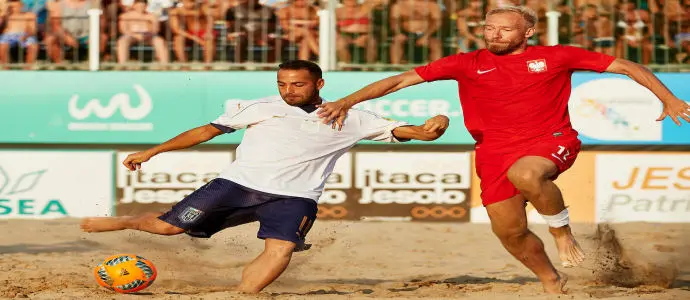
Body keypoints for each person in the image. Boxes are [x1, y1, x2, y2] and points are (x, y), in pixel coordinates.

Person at [316, 5, 690, 294]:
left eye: (505, 29)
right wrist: (346, 102)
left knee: (526, 174)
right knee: (509, 232)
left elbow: (625, 65)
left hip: (551, 139)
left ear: (527, 32)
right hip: (493, 151)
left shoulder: (556, 56)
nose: (494, 35)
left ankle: (562, 231)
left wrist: (669, 99)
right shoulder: (466, 63)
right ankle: (550, 281)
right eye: (489, 28)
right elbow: (400, 80)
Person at [80, 60, 450, 294]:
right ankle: (125, 220)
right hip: (236, 186)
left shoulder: (354, 116)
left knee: (282, 248)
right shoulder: (261, 108)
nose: (288, 91)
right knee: (168, 229)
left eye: (298, 85)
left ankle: (245, 293)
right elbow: (206, 132)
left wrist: (438, 124)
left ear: (319, 84)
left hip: (296, 197)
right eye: (283, 85)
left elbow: (420, 133)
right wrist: (153, 150)